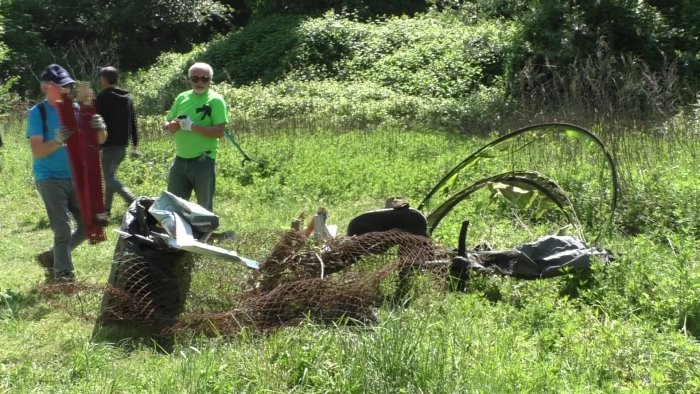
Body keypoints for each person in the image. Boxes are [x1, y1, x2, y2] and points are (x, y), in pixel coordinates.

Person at [28, 64, 107, 283]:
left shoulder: (77, 109)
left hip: (76, 175)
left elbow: (99, 141)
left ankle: (54, 256)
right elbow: (37, 151)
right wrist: (57, 141)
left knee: (88, 225)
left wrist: (100, 128)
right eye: (62, 86)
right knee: (62, 228)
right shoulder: (38, 113)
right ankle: (64, 274)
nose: (68, 89)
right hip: (50, 178)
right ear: (46, 87)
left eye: (69, 85)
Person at [162, 62, 227, 211]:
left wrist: (192, 127)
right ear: (189, 79)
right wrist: (169, 126)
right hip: (180, 160)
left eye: (204, 79)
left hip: (203, 160)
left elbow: (219, 131)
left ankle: (205, 233)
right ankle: (176, 234)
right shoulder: (181, 98)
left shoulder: (215, 101)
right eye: (195, 78)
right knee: (172, 206)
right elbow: (167, 120)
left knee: (204, 208)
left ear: (210, 80)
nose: (200, 82)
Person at [96, 66, 138, 217]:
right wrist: (135, 144)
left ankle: (132, 200)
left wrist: (96, 143)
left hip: (108, 145)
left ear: (104, 80)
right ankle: (106, 211)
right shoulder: (127, 97)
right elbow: (133, 122)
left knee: (109, 178)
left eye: (101, 78)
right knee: (110, 177)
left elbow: (97, 122)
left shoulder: (102, 97)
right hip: (122, 146)